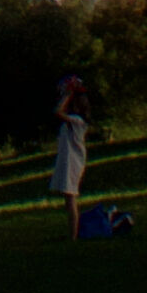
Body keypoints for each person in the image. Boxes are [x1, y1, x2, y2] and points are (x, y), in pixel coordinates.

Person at [52, 71, 93, 240]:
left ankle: (74, 236)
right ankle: (72, 233)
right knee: (68, 199)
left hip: (73, 161)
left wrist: (68, 95)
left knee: (71, 198)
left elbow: (57, 111)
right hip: (69, 160)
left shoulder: (77, 121)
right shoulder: (71, 121)